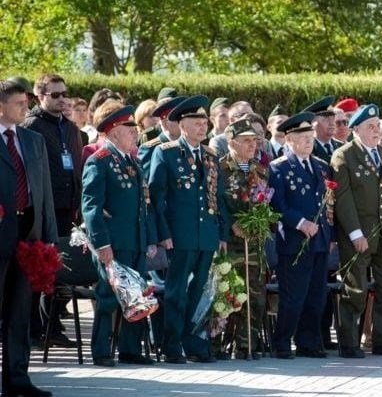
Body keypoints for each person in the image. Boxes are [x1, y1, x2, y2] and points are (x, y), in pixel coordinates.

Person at [149, 95, 230, 364]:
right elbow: (156, 198)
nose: (202, 126)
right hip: (178, 236)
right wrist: (163, 234)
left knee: (199, 292)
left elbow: (217, 198)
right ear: (181, 125)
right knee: (176, 292)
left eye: (204, 121)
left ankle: (194, 342)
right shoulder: (167, 152)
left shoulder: (210, 155)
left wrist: (221, 234)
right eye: (196, 122)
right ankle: (172, 344)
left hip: (205, 235)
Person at [81, 101, 158, 367]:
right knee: (108, 297)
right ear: (114, 132)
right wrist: (101, 245)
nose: (135, 132)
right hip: (113, 243)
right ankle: (101, 350)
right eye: (130, 128)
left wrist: (148, 239)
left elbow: (143, 206)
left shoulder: (132, 162)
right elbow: (91, 207)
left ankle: (130, 349)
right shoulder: (99, 161)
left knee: (135, 296)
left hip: (135, 241)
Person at [331, 104, 382, 358]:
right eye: (370, 127)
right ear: (356, 130)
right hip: (359, 235)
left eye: (377, 127)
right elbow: (343, 198)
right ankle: (349, 343)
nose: (376, 132)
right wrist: (354, 233)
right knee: (356, 290)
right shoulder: (345, 156)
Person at [0, 80, 56, 397]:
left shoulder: (32, 141)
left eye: (26, 101)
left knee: (20, 313)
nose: (26, 107)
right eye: (20, 102)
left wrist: (48, 238)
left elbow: (43, 190)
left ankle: (17, 379)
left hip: (28, 237)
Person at [21, 74, 81, 348]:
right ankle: (34, 326)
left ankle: (52, 324)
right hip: (44, 209)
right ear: (40, 96)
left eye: (64, 94)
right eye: (55, 95)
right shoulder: (32, 126)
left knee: (61, 268)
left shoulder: (69, 127)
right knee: (39, 267)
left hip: (68, 207)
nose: (62, 99)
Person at [269, 111, 335, 359]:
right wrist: (300, 223)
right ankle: (283, 342)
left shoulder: (320, 166)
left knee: (316, 296)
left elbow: (328, 204)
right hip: (295, 241)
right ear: (289, 140)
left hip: (319, 240)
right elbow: (277, 204)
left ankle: (308, 341)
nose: (309, 140)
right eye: (302, 137)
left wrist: (331, 236)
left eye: (310, 135)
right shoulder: (280, 167)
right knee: (293, 296)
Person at [217, 118, 269, 360]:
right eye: (246, 141)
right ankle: (217, 344)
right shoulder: (219, 169)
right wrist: (231, 225)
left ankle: (247, 345)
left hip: (254, 243)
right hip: (230, 243)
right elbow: (215, 202)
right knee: (226, 295)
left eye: (255, 140)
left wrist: (260, 220)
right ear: (232, 142)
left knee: (255, 296)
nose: (252, 145)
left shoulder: (260, 170)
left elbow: (265, 202)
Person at [136, 96, 186, 177]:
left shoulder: (188, 144)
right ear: (165, 123)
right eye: (178, 120)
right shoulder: (150, 149)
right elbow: (147, 184)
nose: (183, 124)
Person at [308, 96, 342, 163]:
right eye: (326, 119)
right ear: (313, 122)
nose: (332, 123)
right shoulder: (308, 149)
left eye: (333, 118)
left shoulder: (342, 146)